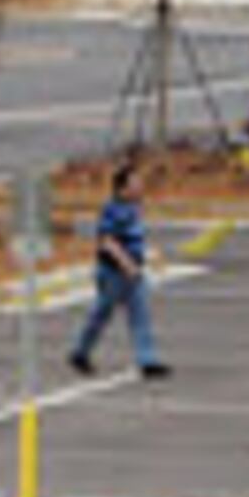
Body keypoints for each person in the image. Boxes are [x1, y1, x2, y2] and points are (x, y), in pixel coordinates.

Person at [69, 159, 169, 379]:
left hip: (133, 272)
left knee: (140, 315)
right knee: (101, 314)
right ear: (122, 188)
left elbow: (135, 238)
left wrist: (149, 256)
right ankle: (80, 351)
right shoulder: (112, 210)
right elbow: (107, 241)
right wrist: (127, 264)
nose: (140, 187)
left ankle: (147, 360)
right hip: (114, 272)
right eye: (135, 184)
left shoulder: (134, 209)